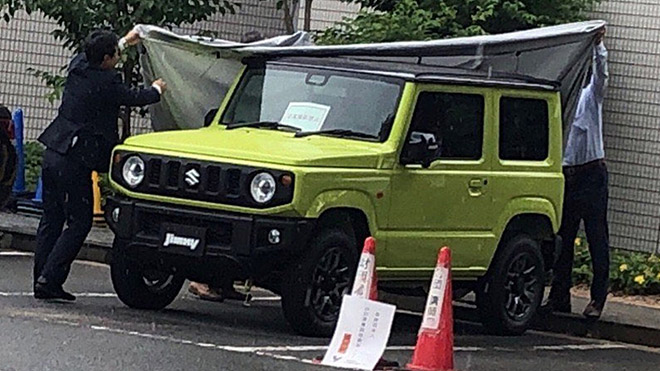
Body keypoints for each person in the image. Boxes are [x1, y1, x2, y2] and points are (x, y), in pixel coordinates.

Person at [33, 29, 167, 301]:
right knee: (80, 222)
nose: (118, 58)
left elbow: (92, 54)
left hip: (54, 150)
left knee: (51, 218)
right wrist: (156, 89)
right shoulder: (106, 82)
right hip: (75, 160)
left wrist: (125, 41)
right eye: (116, 55)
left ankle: (41, 277)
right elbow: (134, 97)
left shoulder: (78, 66)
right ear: (106, 59)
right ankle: (50, 279)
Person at [544, 28, 609, 319]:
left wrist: (598, 48)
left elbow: (602, 77)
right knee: (563, 237)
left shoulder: (589, 97)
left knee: (597, 237)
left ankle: (598, 298)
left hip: (592, 173)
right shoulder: (560, 101)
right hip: (567, 175)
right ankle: (559, 296)